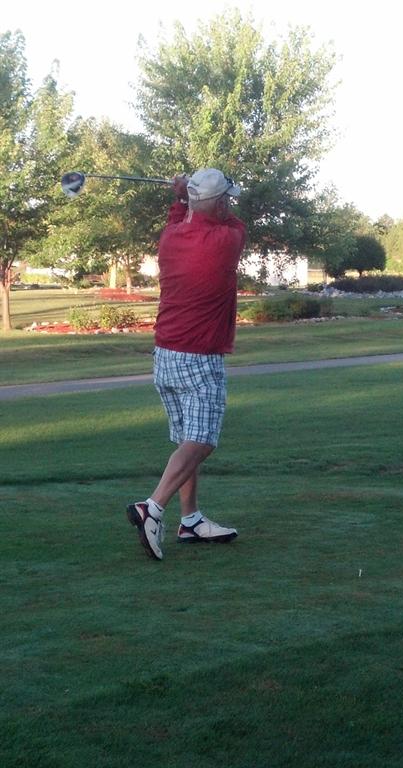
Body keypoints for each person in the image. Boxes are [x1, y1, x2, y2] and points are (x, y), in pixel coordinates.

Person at [126, 168, 246, 560]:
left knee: (186, 441)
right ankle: (153, 507)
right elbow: (233, 220)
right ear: (221, 203)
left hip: (165, 355)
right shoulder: (227, 239)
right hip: (199, 356)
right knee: (202, 441)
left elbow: (182, 215)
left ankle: (190, 520)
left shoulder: (171, 237)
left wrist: (182, 196)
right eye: (226, 199)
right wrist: (186, 194)